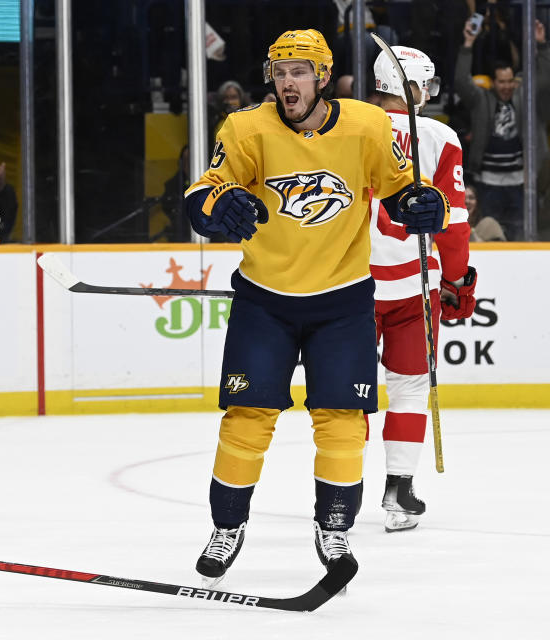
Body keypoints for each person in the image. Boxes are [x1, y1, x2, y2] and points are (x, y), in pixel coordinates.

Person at [183, 29, 449, 583]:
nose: (287, 83)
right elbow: (205, 190)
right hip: (265, 300)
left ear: (323, 77)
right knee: (247, 420)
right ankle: (227, 527)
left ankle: (334, 530)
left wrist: (424, 205)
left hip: (343, 301)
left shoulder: (367, 125)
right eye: (280, 73)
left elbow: (401, 188)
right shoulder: (246, 127)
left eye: (299, 72)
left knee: (343, 421)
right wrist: (218, 205)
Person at [370, 46, 476, 532]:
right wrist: (456, 279)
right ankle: (399, 492)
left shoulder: (346, 125)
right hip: (415, 284)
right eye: (424, 86)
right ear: (411, 88)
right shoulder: (439, 135)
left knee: (344, 394)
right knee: (410, 387)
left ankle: (338, 497)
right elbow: (453, 223)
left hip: (350, 284)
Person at [455, 18, 550, 241]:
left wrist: (542, 45)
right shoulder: (481, 100)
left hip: (520, 183)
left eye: (510, 81)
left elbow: (545, 79)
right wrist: (468, 44)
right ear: (493, 82)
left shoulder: (524, 97)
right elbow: (460, 81)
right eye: (501, 82)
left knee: (523, 236)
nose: (506, 86)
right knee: (491, 236)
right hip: (489, 184)